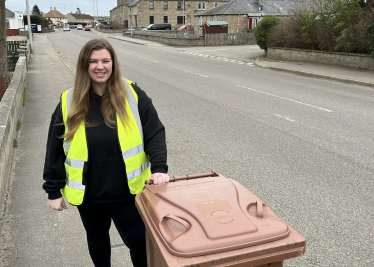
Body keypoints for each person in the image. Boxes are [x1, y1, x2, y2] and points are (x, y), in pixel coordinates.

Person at [43, 38, 169, 267]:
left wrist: (160, 168)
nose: (100, 66)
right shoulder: (68, 100)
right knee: (98, 242)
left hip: (129, 193)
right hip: (89, 196)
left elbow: (155, 132)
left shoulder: (133, 94)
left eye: (105, 60)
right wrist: (53, 190)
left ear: (113, 63)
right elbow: (54, 148)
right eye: (93, 61)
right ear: (84, 65)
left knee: (140, 243)